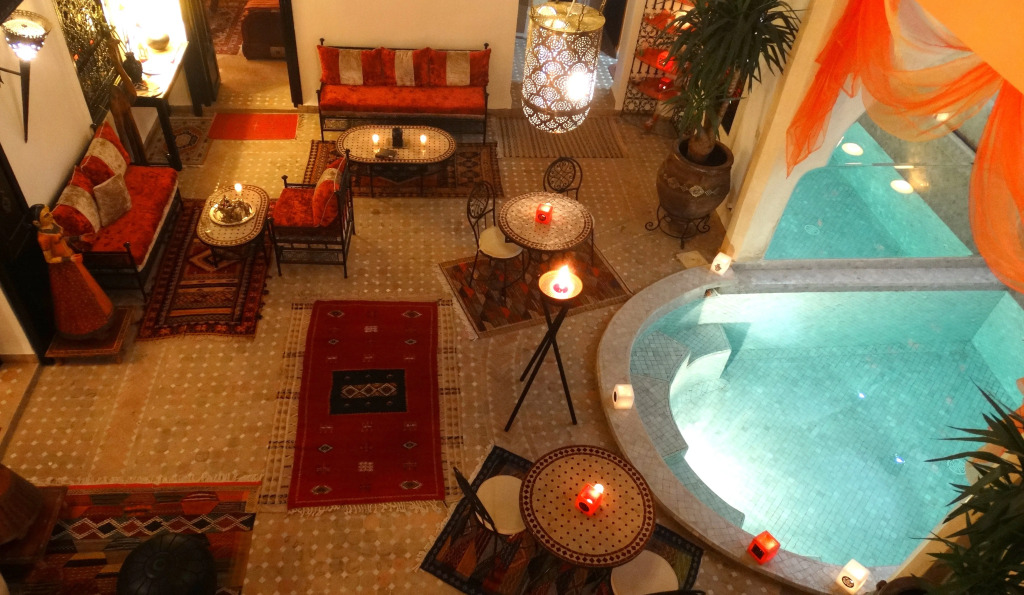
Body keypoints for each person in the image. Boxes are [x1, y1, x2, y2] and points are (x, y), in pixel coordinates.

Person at [32, 204, 115, 339]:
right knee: (77, 298)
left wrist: (79, 238)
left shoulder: (53, 225)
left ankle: (103, 319)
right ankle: (88, 329)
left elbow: (62, 240)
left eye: (49, 212)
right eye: (46, 215)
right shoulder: (43, 238)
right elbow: (49, 259)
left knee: (90, 290)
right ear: (37, 223)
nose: (50, 215)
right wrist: (68, 259)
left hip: (72, 262)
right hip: (63, 270)